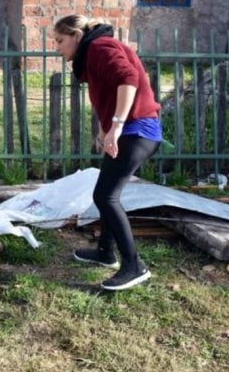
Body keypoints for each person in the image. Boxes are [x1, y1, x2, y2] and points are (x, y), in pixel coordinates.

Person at [53, 15, 162, 291]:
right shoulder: (94, 52)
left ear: (77, 35)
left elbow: (128, 80)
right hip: (131, 130)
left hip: (138, 131)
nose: (57, 47)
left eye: (60, 40)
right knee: (108, 193)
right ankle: (105, 253)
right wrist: (106, 129)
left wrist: (116, 127)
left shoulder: (100, 47)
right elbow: (112, 92)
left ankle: (134, 266)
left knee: (105, 195)